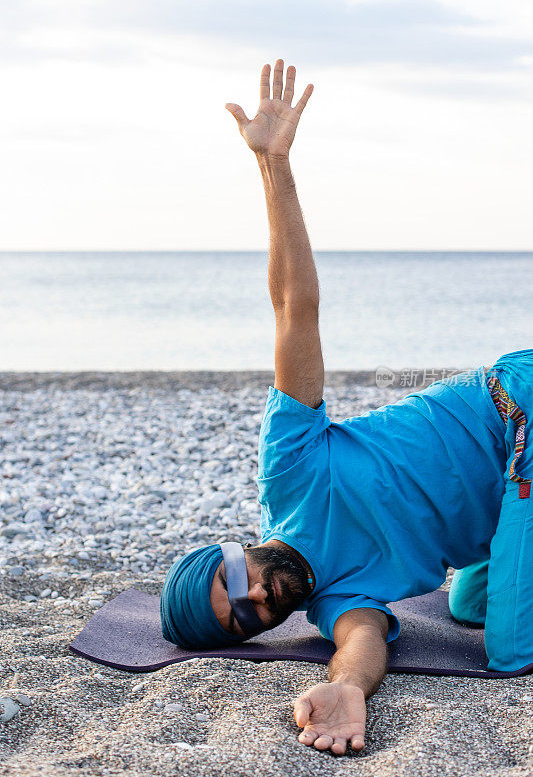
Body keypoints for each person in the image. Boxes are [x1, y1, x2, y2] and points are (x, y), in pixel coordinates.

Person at [160, 60, 533, 756]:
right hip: (506, 489)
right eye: (245, 619)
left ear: (230, 549)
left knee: (509, 650)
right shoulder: (335, 602)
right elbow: (360, 646)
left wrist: (273, 167)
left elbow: (293, 311)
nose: (259, 597)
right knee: (468, 607)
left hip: (517, 412)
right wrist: (349, 689)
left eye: (235, 582)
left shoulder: (290, 470)